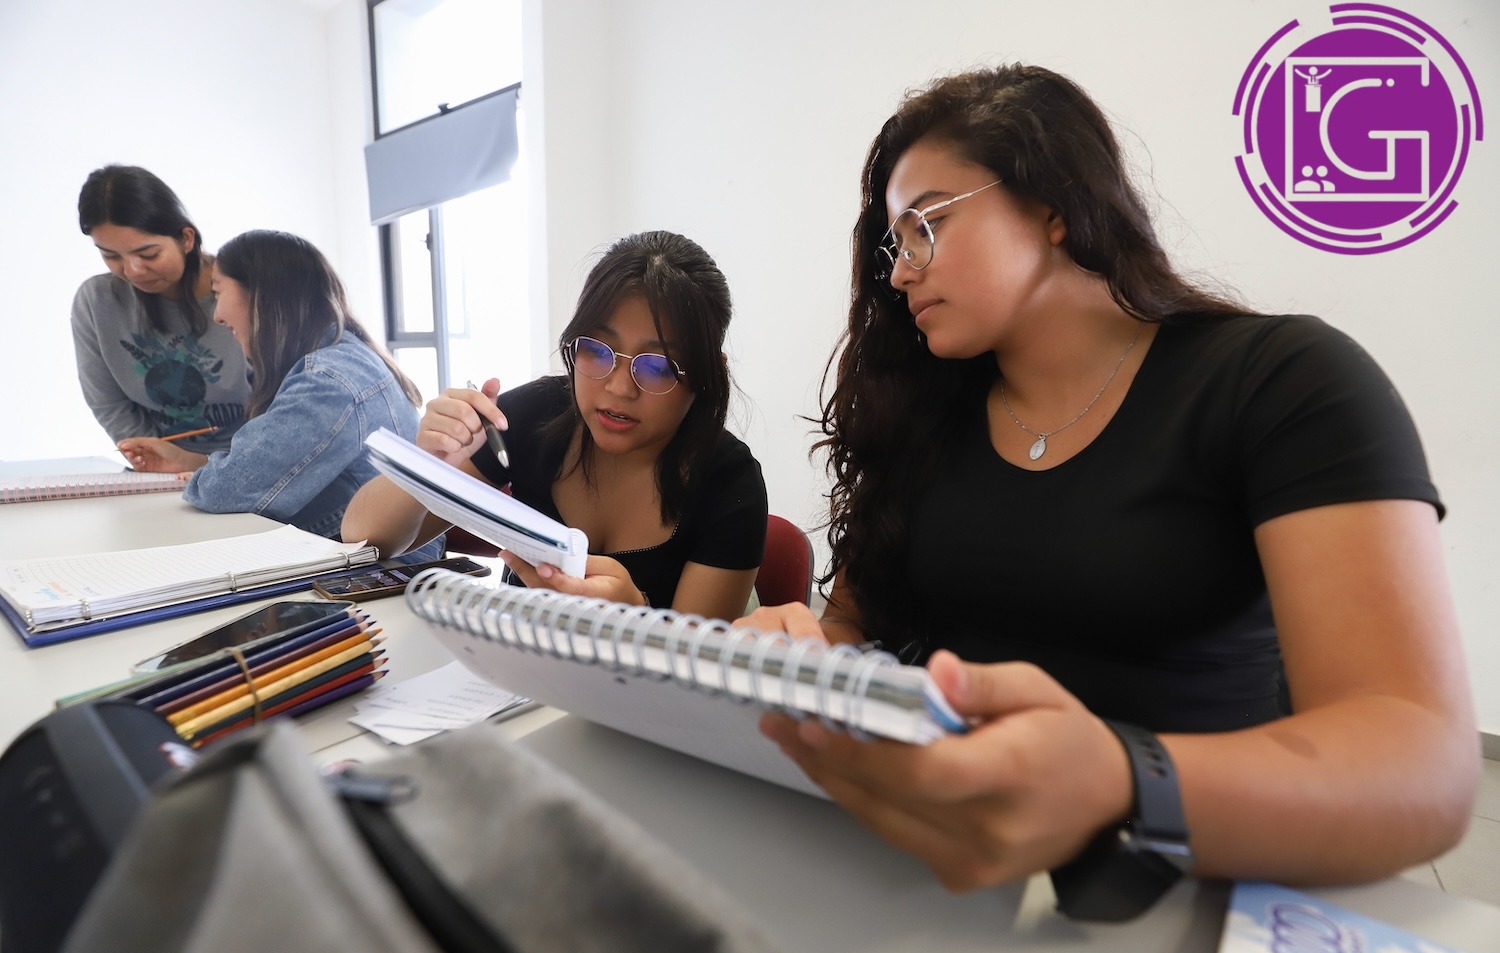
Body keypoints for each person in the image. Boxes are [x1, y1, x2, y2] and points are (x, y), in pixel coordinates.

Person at [739, 65, 1476, 900]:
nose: (903, 271)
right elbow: (851, 625)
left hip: (1197, 881)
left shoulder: (1283, 383)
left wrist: (1123, 779)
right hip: (942, 869)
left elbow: (1421, 765)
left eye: (927, 225)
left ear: (1053, 208)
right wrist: (802, 654)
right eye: (894, 245)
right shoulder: (925, 415)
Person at [342, 230, 768, 623]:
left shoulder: (730, 482)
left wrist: (635, 617)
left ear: (710, 374)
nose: (618, 388)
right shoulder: (533, 416)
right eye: (597, 350)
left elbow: (691, 673)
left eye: (657, 366)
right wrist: (426, 463)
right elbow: (364, 539)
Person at [117, 230, 424, 540]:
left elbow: (228, 491)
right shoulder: (341, 356)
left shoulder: (327, 382)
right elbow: (258, 474)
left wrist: (204, 477)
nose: (217, 316)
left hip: (380, 563)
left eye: (218, 292)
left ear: (261, 295)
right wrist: (193, 463)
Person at [73, 165, 251, 453]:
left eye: (149, 254)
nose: (132, 270)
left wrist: (207, 468)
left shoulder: (246, 292)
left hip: (255, 465)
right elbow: (109, 403)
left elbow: (282, 407)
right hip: (160, 469)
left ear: (186, 239)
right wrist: (157, 458)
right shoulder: (97, 302)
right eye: (111, 255)